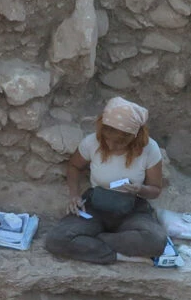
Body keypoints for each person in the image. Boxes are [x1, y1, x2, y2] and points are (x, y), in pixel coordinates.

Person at [45, 96, 169, 264]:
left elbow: (155, 190)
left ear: (133, 137)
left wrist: (140, 189)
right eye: (107, 138)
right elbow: (74, 167)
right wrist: (74, 195)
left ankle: (90, 241)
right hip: (95, 206)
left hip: (132, 209)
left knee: (156, 241)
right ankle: (118, 255)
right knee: (56, 239)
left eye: (119, 142)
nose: (110, 145)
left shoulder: (149, 149)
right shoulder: (92, 142)